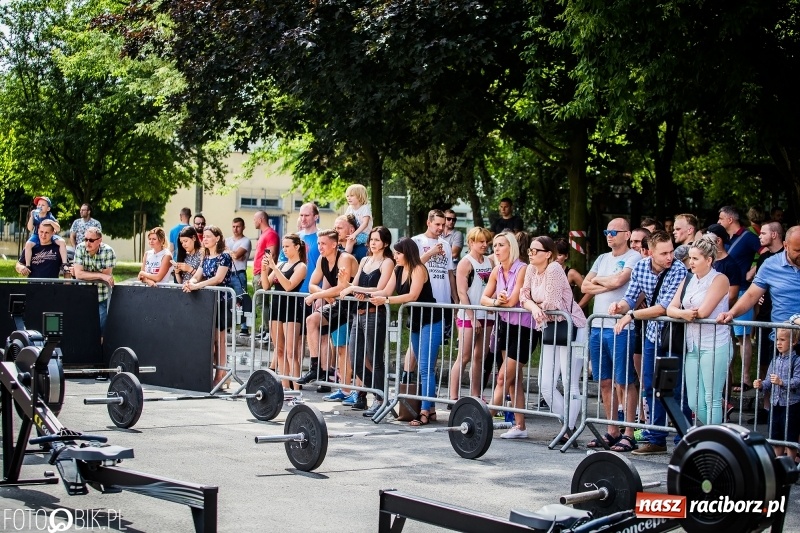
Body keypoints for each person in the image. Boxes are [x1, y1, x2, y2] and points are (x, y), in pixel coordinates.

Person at [610, 230, 687, 455]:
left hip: (673, 334)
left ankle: (682, 440)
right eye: (664, 253)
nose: (670, 256)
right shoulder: (641, 268)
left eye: (671, 251)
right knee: (651, 384)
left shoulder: (679, 270)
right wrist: (620, 306)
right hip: (653, 334)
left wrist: (631, 315)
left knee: (674, 387)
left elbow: (664, 307)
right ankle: (656, 438)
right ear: (650, 252)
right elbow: (631, 297)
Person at [582, 218, 641, 452]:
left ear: (627, 235)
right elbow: (585, 286)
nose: (609, 235)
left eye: (615, 231)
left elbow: (620, 280)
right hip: (598, 326)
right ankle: (612, 430)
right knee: (604, 380)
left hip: (620, 326)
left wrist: (601, 281)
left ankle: (628, 431)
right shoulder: (601, 258)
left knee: (624, 380)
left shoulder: (633, 257)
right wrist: (608, 284)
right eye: (607, 231)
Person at [372, 237, 444, 426]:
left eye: (398, 253)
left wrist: (386, 301)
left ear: (407, 253)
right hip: (416, 322)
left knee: (425, 368)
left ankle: (425, 412)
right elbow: (386, 290)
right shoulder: (398, 269)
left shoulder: (419, 269)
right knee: (422, 368)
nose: (395, 256)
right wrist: (359, 291)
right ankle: (432, 408)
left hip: (431, 320)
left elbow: (412, 295)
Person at [521, 235, 587, 442]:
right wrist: (533, 308)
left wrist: (535, 306)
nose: (531, 254)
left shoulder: (554, 269)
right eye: (530, 250)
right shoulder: (531, 269)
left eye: (536, 251)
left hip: (572, 326)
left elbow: (552, 302)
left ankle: (568, 429)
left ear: (548, 254)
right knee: (545, 384)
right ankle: (568, 425)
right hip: (549, 326)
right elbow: (523, 296)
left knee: (569, 381)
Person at [666, 235, 732, 425]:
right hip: (693, 345)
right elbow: (670, 308)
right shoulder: (688, 280)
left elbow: (703, 312)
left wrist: (682, 313)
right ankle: (714, 432)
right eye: (690, 258)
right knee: (694, 402)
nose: (691, 262)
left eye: (695, 258)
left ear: (709, 260)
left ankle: (717, 441)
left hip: (715, 344)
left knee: (712, 398)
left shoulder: (720, 279)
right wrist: (683, 314)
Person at [480, 232, 534, 438]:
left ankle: (483, 418)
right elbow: (484, 298)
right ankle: (520, 426)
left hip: (523, 328)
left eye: (500, 245)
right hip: (504, 325)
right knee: (513, 379)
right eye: (495, 245)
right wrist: (496, 302)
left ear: (511, 247)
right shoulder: (496, 270)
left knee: (503, 377)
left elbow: (513, 301)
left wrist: (501, 301)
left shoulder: (522, 269)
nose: (496, 248)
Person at [339, 227, 395, 416]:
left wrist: (357, 289)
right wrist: (349, 286)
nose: (373, 243)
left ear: (385, 243)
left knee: (375, 359)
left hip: (375, 313)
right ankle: (379, 392)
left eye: (377, 240)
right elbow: (354, 285)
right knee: (356, 359)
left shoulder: (387, 262)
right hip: (359, 314)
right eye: (371, 239)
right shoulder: (364, 260)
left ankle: (380, 399)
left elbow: (380, 289)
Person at [299, 229, 359, 394]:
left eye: (323, 243)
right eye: (318, 243)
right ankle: (316, 368)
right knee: (312, 321)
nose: (320, 246)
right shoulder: (321, 259)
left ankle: (353, 391)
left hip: (355, 305)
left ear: (334, 244)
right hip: (339, 303)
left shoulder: (344, 258)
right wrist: (324, 294)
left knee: (346, 350)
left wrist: (318, 295)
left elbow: (341, 287)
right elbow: (312, 283)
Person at [717, 226, 800, 327]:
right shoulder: (770, 265)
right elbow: (751, 295)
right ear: (785, 246)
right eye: (797, 250)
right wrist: (731, 313)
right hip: (783, 337)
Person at [183, 225, 233, 387]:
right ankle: (211, 372)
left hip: (221, 300)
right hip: (206, 302)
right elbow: (198, 274)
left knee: (220, 340)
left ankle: (221, 374)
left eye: (208, 236)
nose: (204, 239)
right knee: (209, 340)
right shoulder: (205, 256)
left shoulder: (224, 256)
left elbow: (218, 278)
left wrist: (198, 286)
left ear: (217, 238)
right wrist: (191, 282)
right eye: (203, 236)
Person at [718, 206, 761, 392]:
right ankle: (730, 379)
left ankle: (745, 379)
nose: (719, 222)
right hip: (725, 292)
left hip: (743, 292)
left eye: (721, 218)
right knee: (728, 337)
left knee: (742, 337)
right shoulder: (726, 240)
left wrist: (754, 269)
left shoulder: (748, 236)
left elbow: (766, 251)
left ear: (730, 219)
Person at [449, 227, 495, 402]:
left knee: (480, 356)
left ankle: (475, 394)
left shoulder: (489, 262)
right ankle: (453, 397)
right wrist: (471, 316)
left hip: (487, 314)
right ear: (471, 243)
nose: (485, 244)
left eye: (486, 241)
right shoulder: (465, 262)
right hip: (468, 315)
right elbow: (462, 293)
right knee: (465, 355)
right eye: (481, 241)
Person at [260, 234, 308, 390]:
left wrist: (274, 268)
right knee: (279, 350)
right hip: (276, 307)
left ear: (297, 247)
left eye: (287, 246)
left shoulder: (301, 266)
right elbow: (266, 286)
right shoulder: (280, 264)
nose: (284, 249)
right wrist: (264, 269)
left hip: (291, 308)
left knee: (291, 352)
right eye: (283, 246)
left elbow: (288, 286)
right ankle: (285, 387)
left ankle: (296, 388)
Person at [753, 327, 800, 461]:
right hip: (775, 403)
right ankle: (777, 463)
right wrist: (761, 384)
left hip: (791, 404)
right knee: (776, 436)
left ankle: (790, 464)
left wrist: (782, 382)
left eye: (782, 340)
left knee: (790, 435)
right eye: (777, 340)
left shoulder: (797, 361)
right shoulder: (775, 361)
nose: (778, 343)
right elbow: (769, 380)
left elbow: (797, 381)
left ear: (793, 342)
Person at [72, 227, 116, 337]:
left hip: (102, 297)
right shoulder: (80, 248)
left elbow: (107, 276)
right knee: (82, 329)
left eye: (91, 240)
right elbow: (78, 274)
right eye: (85, 239)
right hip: (83, 295)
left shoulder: (108, 251)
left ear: (100, 240)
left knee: (101, 331)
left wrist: (86, 274)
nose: (87, 243)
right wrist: (100, 275)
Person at [24, 196, 68, 271]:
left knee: (62, 242)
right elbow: (29, 228)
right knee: (28, 244)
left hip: (49, 236)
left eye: (43, 205)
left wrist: (51, 222)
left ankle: (64, 263)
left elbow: (58, 228)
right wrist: (31, 216)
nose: (40, 207)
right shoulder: (35, 216)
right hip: (36, 235)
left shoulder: (50, 216)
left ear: (48, 209)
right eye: (38, 205)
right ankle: (28, 265)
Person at [226, 217, 253, 335]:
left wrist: (229, 252)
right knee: (226, 299)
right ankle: (226, 323)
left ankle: (244, 327)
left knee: (241, 299)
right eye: (233, 226)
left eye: (238, 226)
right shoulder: (227, 240)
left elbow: (237, 256)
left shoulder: (246, 241)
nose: (235, 229)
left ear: (243, 227)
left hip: (239, 273)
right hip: (227, 272)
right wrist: (232, 253)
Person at [555, 238, 591, 309]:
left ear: (566, 256)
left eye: (559, 255)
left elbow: (590, 291)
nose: (556, 258)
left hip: (566, 315)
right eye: (554, 254)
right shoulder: (546, 271)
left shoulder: (571, 273)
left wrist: (577, 308)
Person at [343, 184, 372, 255]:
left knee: (350, 240)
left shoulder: (365, 208)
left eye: (352, 196)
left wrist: (354, 234)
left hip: (365, 234)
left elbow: (365, 223)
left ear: (360, 196)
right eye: (347, 196)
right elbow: (344, 220)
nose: (349, 198)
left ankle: (345, 256)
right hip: (354, 233)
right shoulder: (350, 208)